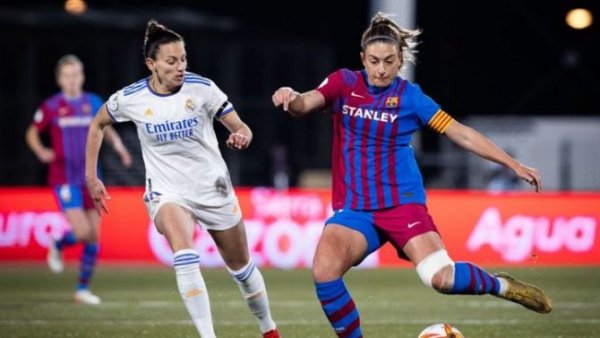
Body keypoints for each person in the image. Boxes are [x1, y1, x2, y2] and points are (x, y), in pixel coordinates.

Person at [272, 12, 552, 338]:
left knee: (441, 278)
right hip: (356, 209)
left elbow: (459, 133)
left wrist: (512, 163)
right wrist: (291, 97)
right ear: (362, 58)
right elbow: (305, 104)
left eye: (389, 61)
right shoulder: (344, 83)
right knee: (324, 272)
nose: (380, 69)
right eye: (374, 61)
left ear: (400, 60)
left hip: (402, 204)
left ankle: (501, 285)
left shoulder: (411, 98)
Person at [85, 20, 280, 338]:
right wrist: (91, 177)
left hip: (212, 186)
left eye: (183, 59)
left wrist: (242, 136)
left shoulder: (202, 88)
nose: (180, 67)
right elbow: (97, 123)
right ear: (152, 64)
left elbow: (242, 127)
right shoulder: (131, 98)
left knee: (242, 270)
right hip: (167, 191)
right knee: (184, 252)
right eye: (171, 61)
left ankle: (269, 329)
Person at [25, 54, 132, 305]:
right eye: (67, 75)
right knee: (82, 231)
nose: (72, 80)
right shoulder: (52, 106)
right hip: (64, 178)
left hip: (91, 178)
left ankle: (82, 290)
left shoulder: (93, 102)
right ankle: (59, 243)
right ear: (59, 79)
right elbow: (32, 131)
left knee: (94, 238)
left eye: (75, 75)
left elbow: (105, 128)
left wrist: (119, 147)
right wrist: (40, 150)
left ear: (82, 77)